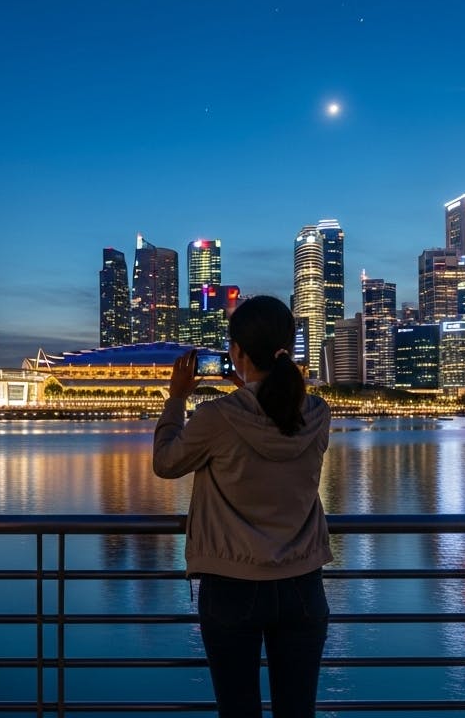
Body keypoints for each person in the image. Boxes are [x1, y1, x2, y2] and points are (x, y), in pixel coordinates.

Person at [153, 295, 332, 718]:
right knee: (297, 712)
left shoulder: (218, 417)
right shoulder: (317, 413)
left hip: (231, 585)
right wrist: (256, 392)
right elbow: (276, 429)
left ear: (236, 353)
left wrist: (177, 398)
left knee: (238, 712)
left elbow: (165, 462)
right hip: (302, 583)